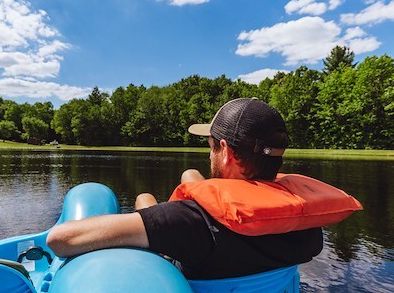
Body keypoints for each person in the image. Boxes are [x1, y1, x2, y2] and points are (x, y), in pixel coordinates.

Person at [47, 98, 324, 280]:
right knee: (189, 175)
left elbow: (60, 239)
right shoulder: (306, 222)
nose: (210, 153)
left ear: (225, 152)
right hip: (250, 288)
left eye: (212, 145)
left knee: (145, 197)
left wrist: (163, 220)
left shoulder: (188, 222)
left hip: (198, 286)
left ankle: (152, 215)